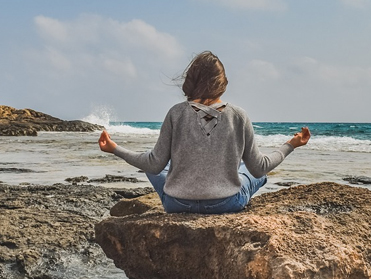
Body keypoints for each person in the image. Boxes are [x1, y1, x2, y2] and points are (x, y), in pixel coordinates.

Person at [98, 51, 310, 213]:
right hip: (226, 204)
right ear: (222, 83)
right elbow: (260, 167)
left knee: (154, 162)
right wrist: (291, 144)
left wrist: (114, 148)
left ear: (190, 80)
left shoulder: (175, 113)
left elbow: (153, 164)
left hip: (177, 204)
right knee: (252, 172)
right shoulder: (238, 115)